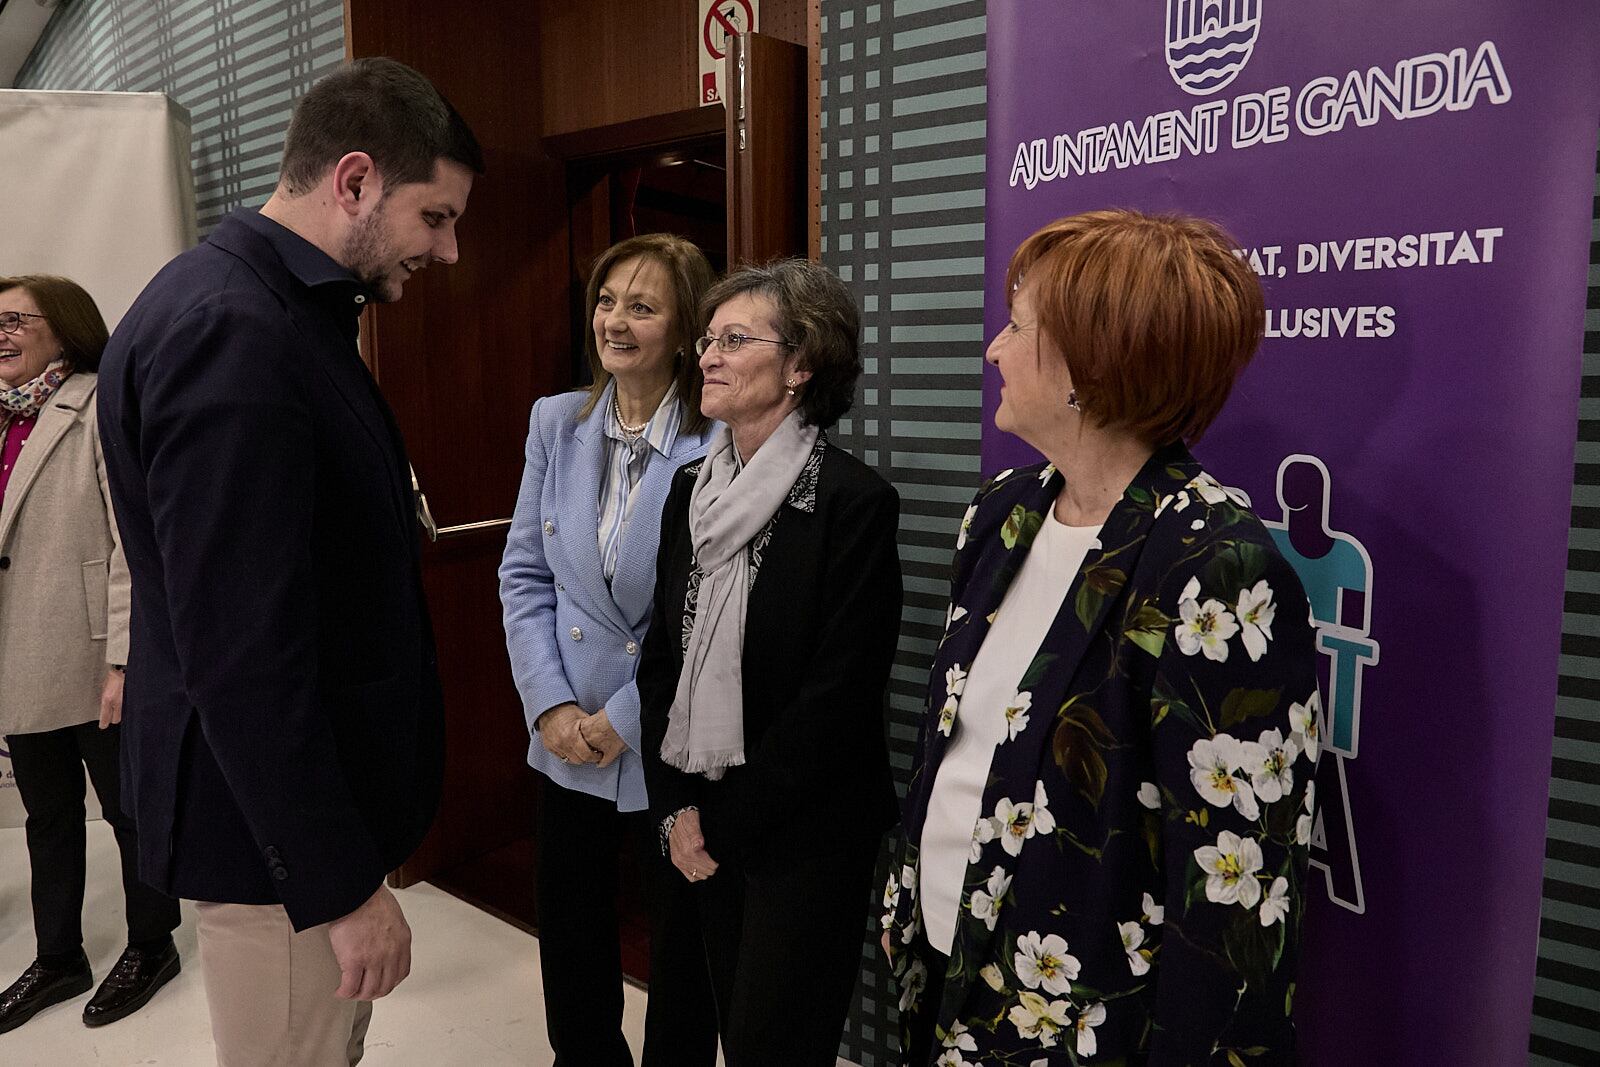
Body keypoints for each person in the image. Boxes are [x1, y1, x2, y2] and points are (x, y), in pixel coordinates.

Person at [96, 58, 482, 1065]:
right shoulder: (235, 332)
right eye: (435, 217)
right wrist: (339, 884)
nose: (447, 251)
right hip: (274, 853)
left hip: (296, 832)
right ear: (353, 180)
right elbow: (243, 653)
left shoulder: (277, 309)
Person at [882, 210, 1321, 1065]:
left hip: (1090, 1027)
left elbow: (1237, 907)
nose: (994, 351)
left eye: (1016, 326)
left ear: (1093, 361)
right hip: (948, 973)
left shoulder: (1215, 567)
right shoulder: (1003, 515)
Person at [638, 259, 903, 1066]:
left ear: (800, 364)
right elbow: (663, 659)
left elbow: (838, 699)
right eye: (708, 339)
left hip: (804, 833)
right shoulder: (692, 487)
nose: (707, 356)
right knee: (687, 1024)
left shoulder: (853, 502)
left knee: (773, 1043)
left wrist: (719, 822)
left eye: (734, 339)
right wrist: (677, 808)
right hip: (696, 816)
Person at [498, 233, 720, 1066]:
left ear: (687, 326)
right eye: (605, 300)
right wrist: (551, 706)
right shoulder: (557, 421)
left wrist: (620, 718)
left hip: (664, 733)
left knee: (682, 945)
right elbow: (524, 572)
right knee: (572, 935)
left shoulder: (717, 441)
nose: (614, 321)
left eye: (642, 305)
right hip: (566, 738)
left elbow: (707, 613)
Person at [0, 276, 182, 1034]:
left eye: (15, 320)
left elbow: (128, 544)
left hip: (91, 649)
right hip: (21, 651)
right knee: (46, 816)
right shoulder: (4, 419)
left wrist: (123, 662)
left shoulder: (98, 403)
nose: (1, 334)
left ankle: (152, 944)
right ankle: (58, 955)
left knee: (128, 811)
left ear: (64, 328)